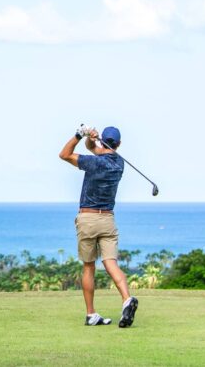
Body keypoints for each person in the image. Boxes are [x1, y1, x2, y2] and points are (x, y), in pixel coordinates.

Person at [58, 124, 139, 328]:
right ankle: (127, 299)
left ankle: (91, 314)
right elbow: (94, 149)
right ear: (118, 144)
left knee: (88, 266)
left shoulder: (93, 163)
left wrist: (79, 134)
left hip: (88, 218)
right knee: (110, 263)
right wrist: (91, 139)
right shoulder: (119, 163)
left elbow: (64, 154)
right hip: (108, 220)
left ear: (104, 140)